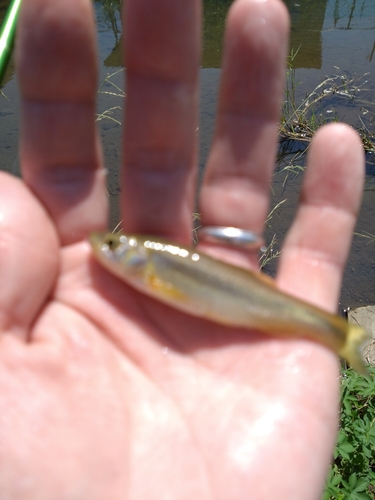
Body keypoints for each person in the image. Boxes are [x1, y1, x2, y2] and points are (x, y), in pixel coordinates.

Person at [0, 0, 364, 498]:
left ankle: (338, 335)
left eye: (111, 245)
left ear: (135, 255)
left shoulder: (148, 266)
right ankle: (338, 335)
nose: (101, 250)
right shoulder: (142, 269)